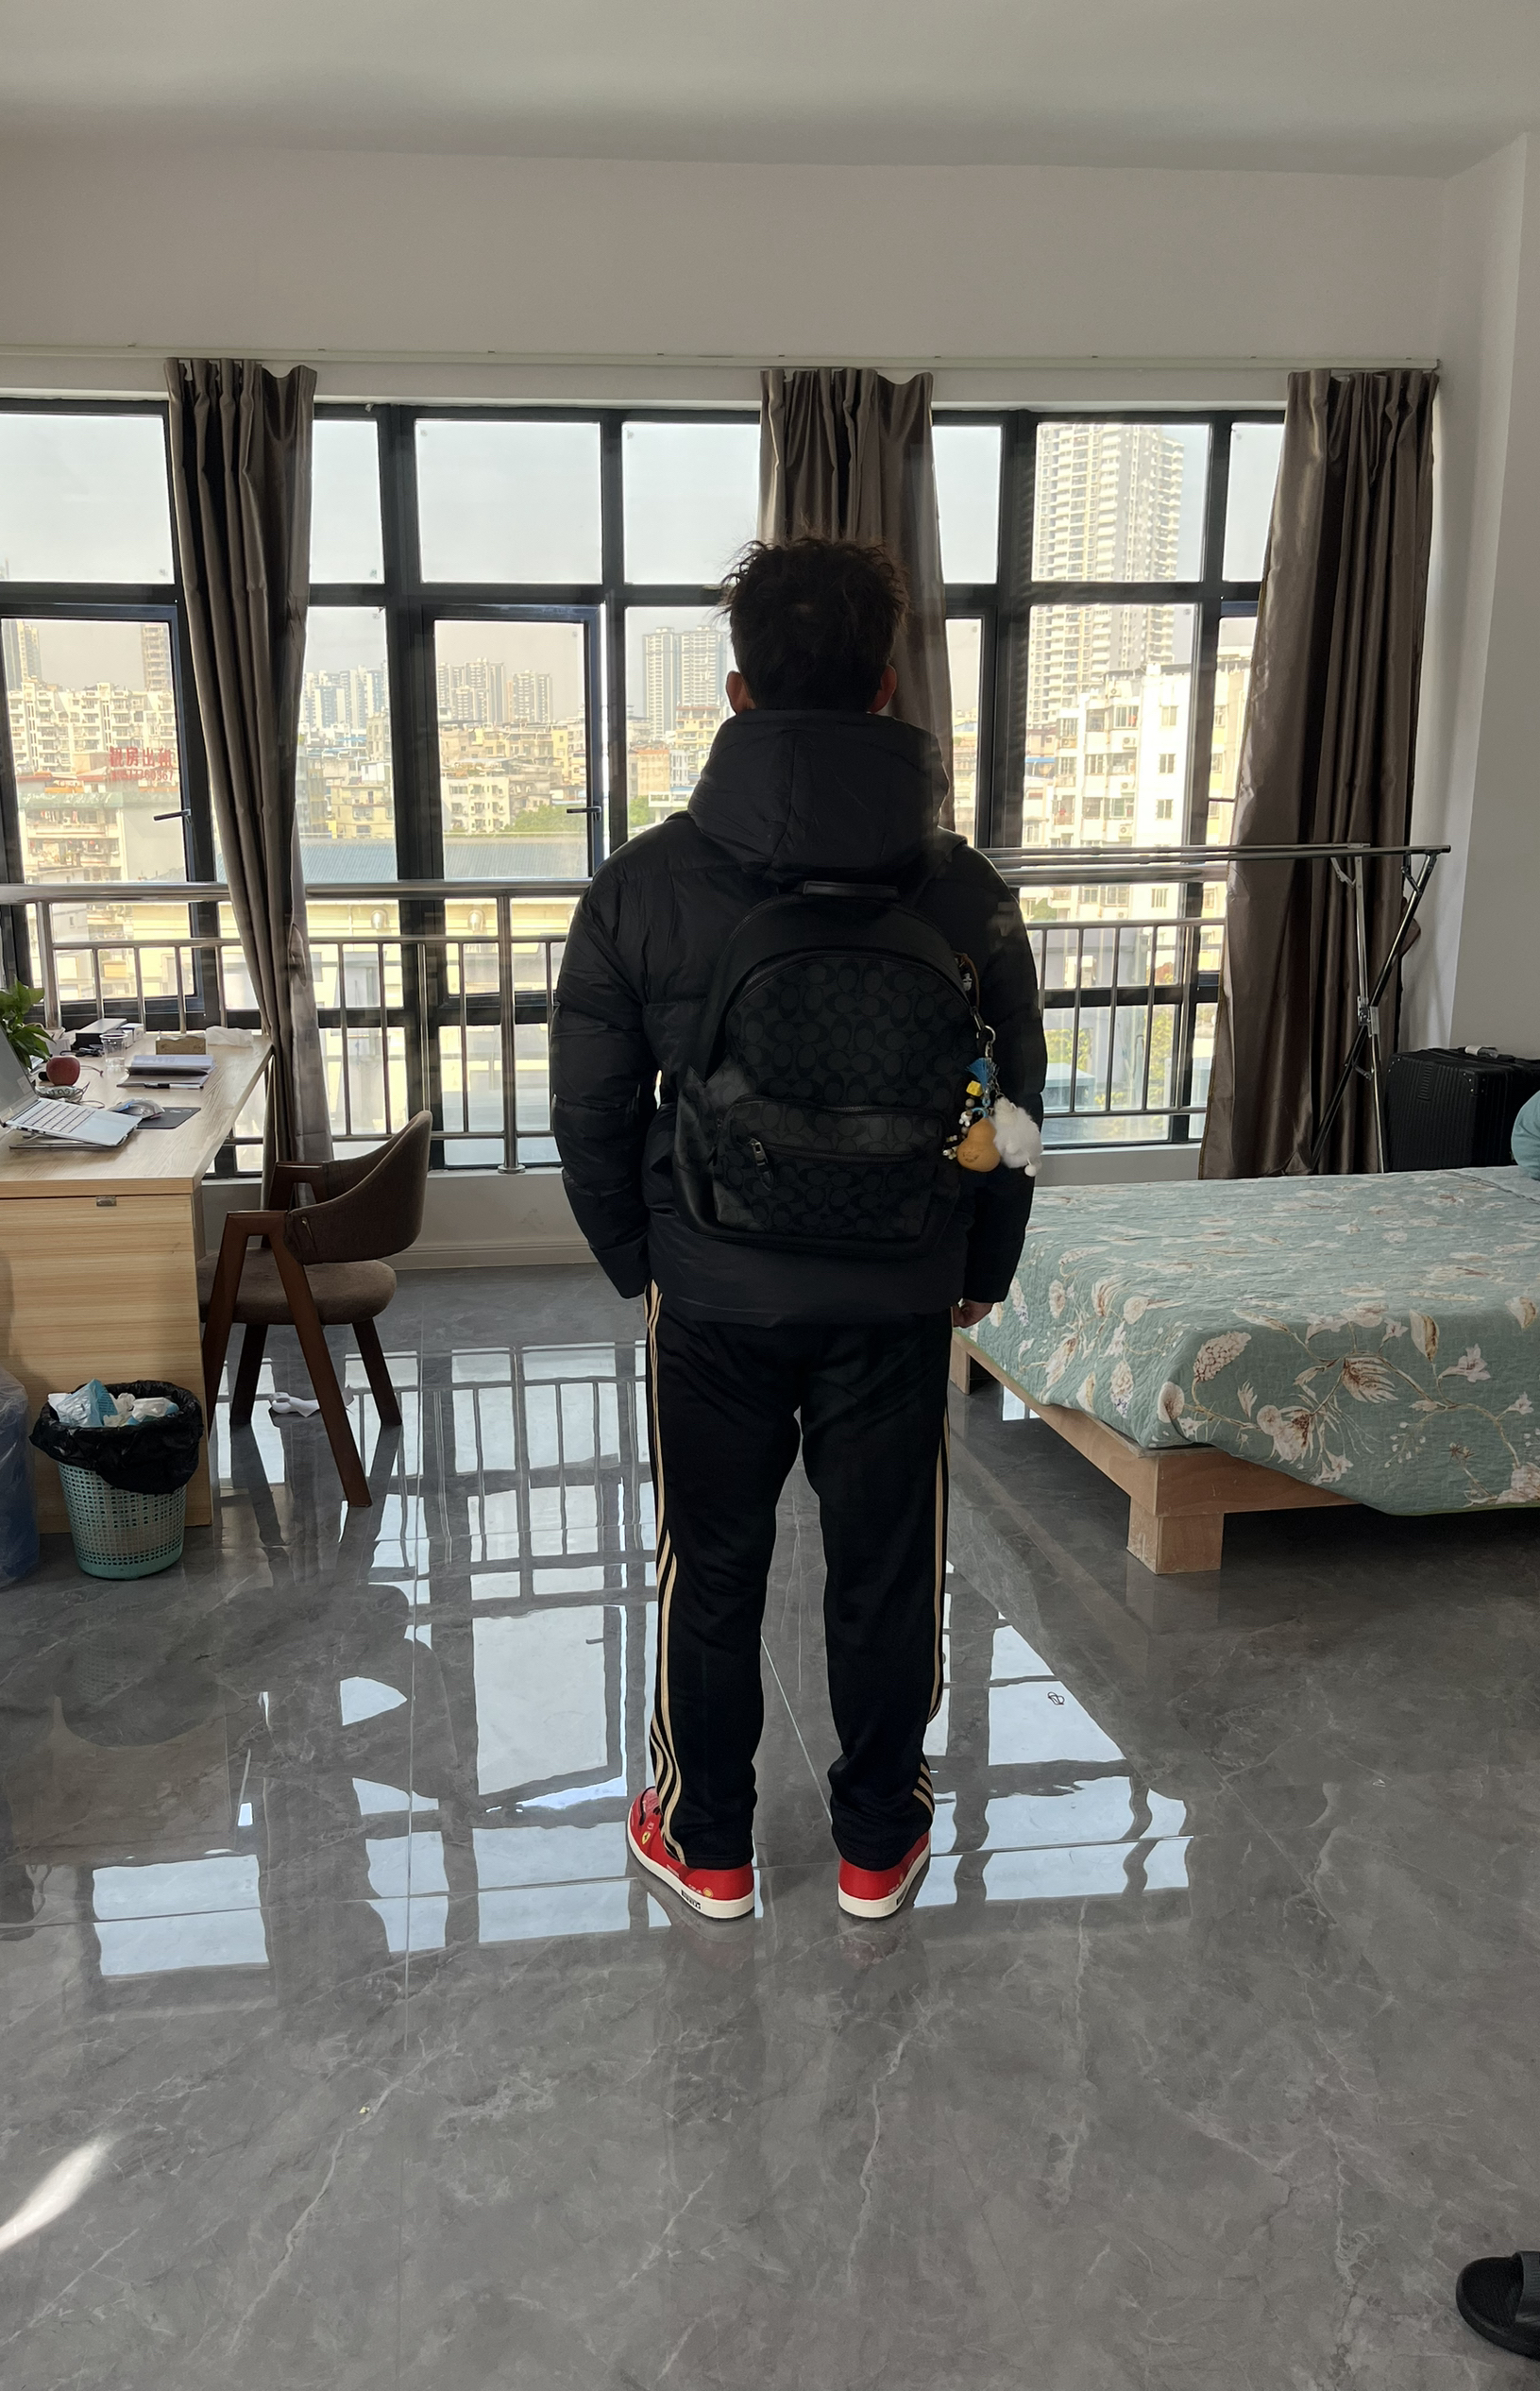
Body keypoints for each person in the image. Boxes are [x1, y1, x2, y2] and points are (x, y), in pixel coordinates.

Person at [550, 535, 1045, 1923]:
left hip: (712, 1289)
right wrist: (980, 1265)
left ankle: (708, 1843)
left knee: (711, 1565)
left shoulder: (643, 884)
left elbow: (588, 1109)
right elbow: (1012, 1097)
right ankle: (876, 1843)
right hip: (899, 1287)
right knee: (886, 1567)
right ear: (886, 686)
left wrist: (642, 1259)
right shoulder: (964, 889)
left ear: (739, 690)